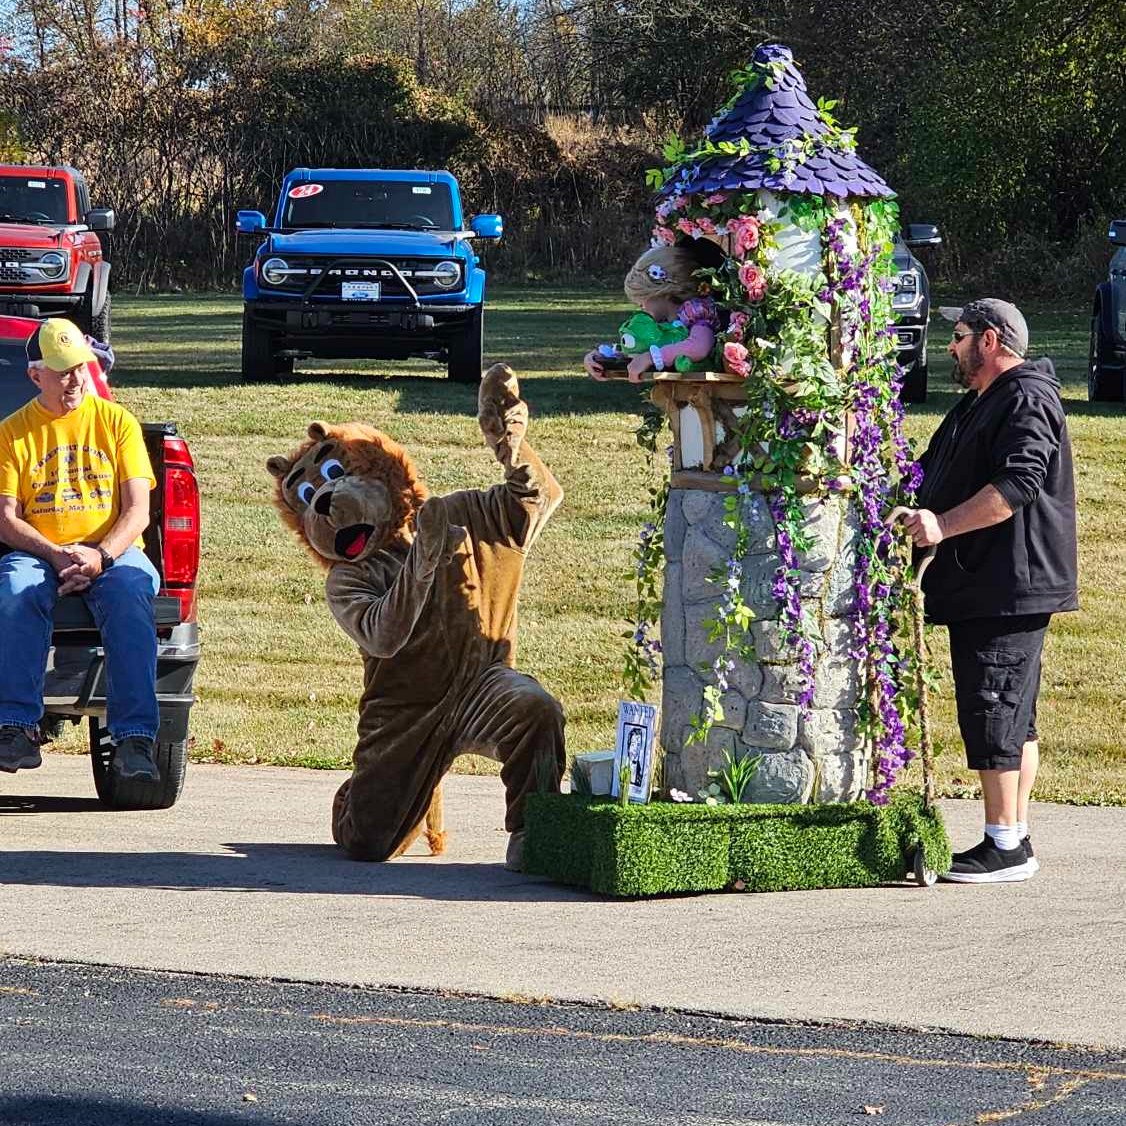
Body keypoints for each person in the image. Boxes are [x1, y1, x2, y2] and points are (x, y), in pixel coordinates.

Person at [896, 299, 1078, 884]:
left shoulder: (1026, 397)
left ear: (992, 340)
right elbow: (929, 470)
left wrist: (942, 526)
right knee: (1014, 714)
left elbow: (1018, 483)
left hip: (1007, 584)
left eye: (960, 335)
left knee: (994, 706)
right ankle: (1015, 835)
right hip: (993, 584)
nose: (951, 346)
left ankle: (1004, 846)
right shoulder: (980, 402)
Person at [0, 319, 162, 781]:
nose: (73, 379)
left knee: (132, 593)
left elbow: (138, 512)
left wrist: (100, 557)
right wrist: (56, 555)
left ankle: (134, 740)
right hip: (41, 552)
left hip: (113, 550)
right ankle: (16, 729)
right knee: (15, 588)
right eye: (61, 371)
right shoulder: (13, 433)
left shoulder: (118, 423)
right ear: (36, 376)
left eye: (79, 368)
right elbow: (6, 518)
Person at [583, 245, 720, 383]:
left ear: (664, 294)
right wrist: (603, 357)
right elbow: (638, 346)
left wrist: (651, 357)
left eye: (643, 300)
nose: (641, 307)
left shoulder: (695, 314)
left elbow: (699, 347)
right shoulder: (661, 325)